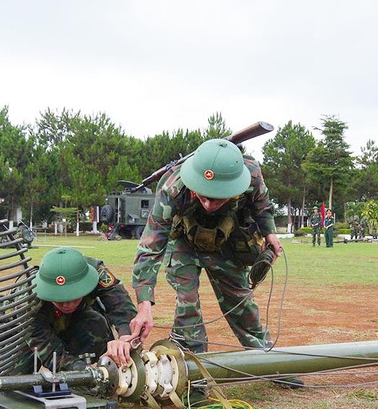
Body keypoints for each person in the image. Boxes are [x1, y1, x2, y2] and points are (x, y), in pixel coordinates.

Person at [130, 138, 285, 358]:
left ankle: (269, 360)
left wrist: (270, 233)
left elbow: (262, 205)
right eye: (203, 196)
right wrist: (144, 304)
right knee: (187, 304)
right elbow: (151, 247)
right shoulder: (172, 188)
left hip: (227, 243)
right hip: (184, 243)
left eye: (217, 198)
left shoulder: (250, 173)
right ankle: (193, 368)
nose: (209, 205)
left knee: (242, 304)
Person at [28, 247, 137, 372]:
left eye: (74, 297)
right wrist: (83, 371)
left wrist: (126, 337)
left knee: (96, 325)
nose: (67, 304)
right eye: (59, 299)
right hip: (26, 334)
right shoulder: (28, 301)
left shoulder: (96, 272)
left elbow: (121, 304)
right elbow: (50, 353)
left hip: (75, 320)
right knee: (15, 376)